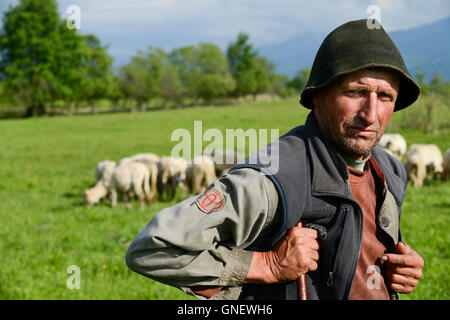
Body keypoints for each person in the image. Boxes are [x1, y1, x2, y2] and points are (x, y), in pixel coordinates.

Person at [125, 19, 424, 300]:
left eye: (385, 96)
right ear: (317, 96)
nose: (370, 115)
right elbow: (151, 249)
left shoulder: (389, 169)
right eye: (355, 91)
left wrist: (399, 268)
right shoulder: (271, 178)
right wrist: (267, 265)